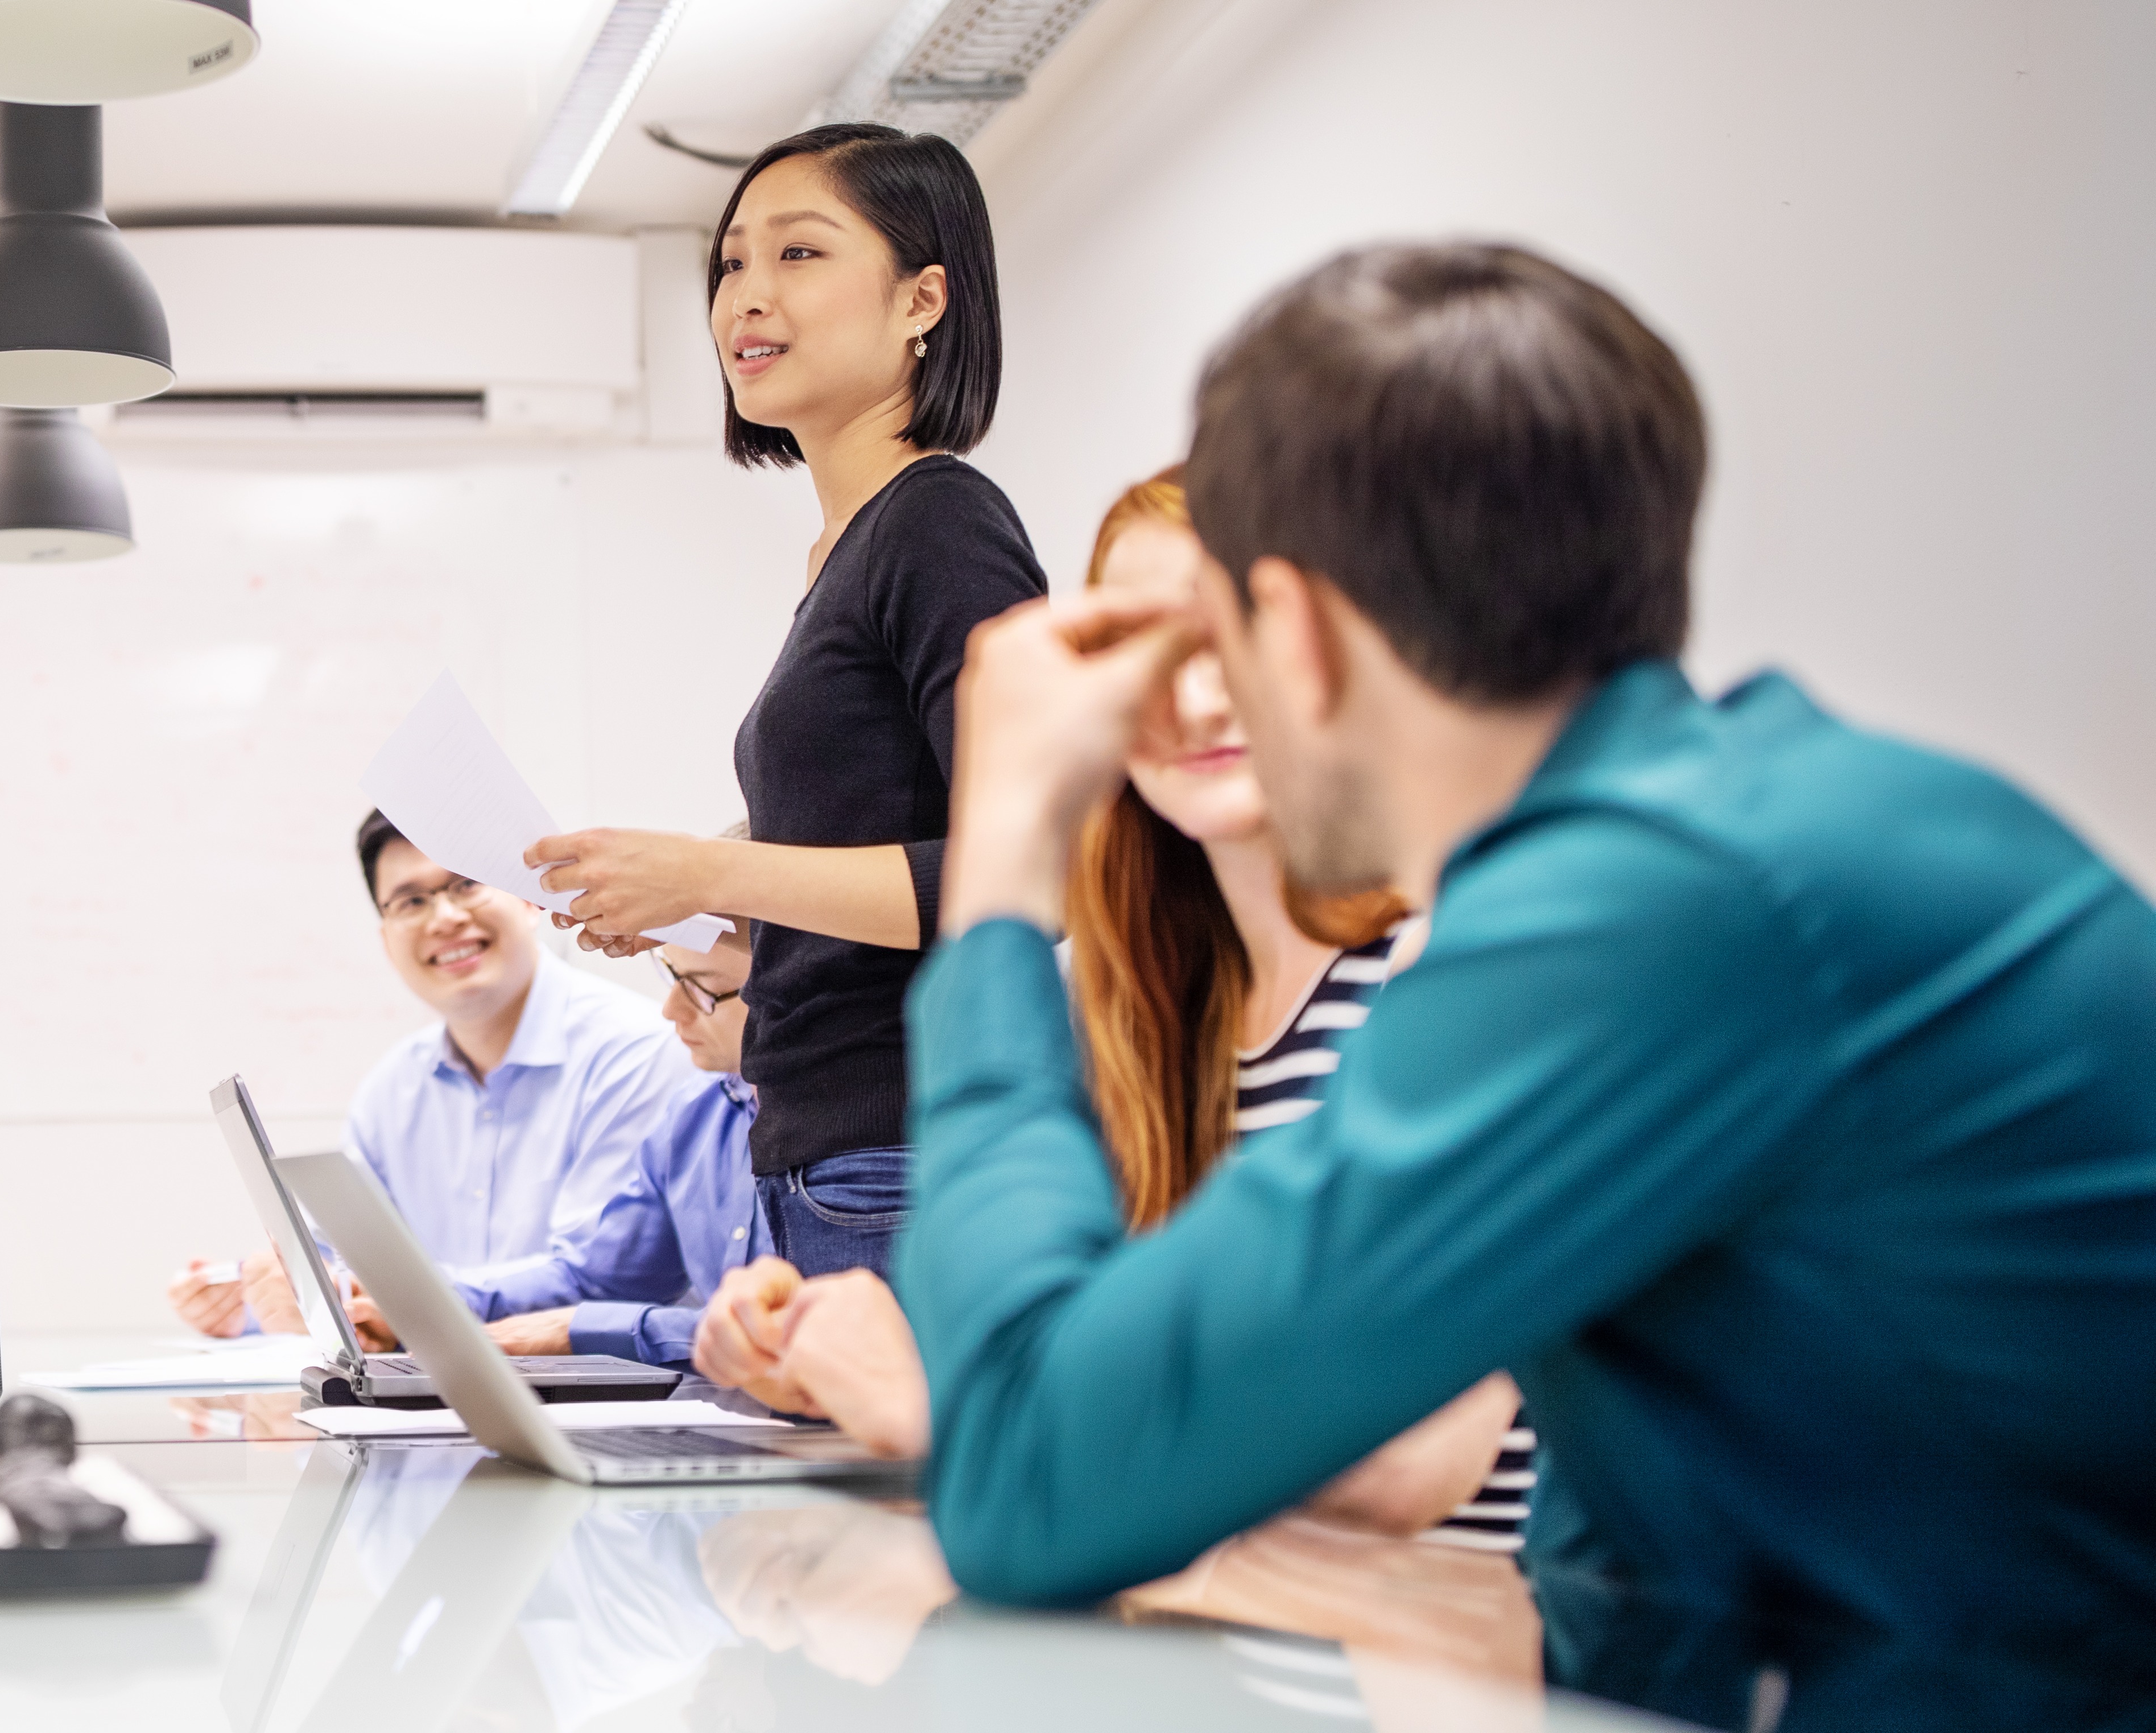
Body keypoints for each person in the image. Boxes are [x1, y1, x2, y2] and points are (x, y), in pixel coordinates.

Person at [890, 244, 2156, 1685]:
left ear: (1290, 634)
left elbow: (1025, 1487)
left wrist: (999, 870)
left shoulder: (1658, 914)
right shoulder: (1737, 840)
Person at [693, 474, 1526, 1544]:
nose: (1196, 696)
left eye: (1238, 639)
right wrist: (838, 1350)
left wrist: (943, 1403)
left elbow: (1402, 1455)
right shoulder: (1127, 1020)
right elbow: (1107, 1376)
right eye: (1145, 653)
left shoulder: (1442, 971)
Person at [516, 124, 1047, 1285]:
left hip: (910, 1155)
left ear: (923, 299)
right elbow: (883, 824)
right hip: (830, 1151)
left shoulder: (938, 524)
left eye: (799, 255)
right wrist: (700, 888)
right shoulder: (848, 549)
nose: (746, 297)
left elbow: (1030, 876)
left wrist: (714, 877)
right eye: (730, 265)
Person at [167, 811, 684, 1340]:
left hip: (607, 1406)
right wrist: (256, 1305)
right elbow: (336, 1265)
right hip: (440, 1401)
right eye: (411, 902)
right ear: (387, 939)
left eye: (466, 884)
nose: (444, 918)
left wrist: (390, 1302)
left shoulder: (639, 1051)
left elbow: (603, 1277)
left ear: (531, 900)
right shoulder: (392, 1090)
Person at [458, 911, 768, 1369]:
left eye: (703, 988)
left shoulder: (868, 1125)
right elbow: (604, 1281)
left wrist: (583, 1329)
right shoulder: (695, 1114)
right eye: (671, 975)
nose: (670, 1010)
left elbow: (796, 1336)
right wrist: (419, 1305)